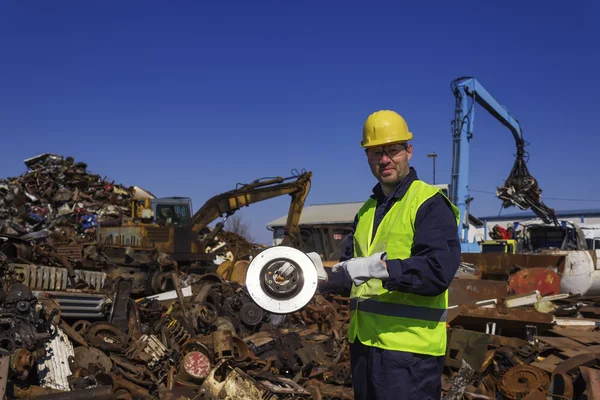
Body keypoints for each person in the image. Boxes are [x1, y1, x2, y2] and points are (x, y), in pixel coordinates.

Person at [320, 110, 461, 400]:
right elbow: (351, 272)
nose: (384, 159)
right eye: (375, 152)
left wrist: (379, 268)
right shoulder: (366, 210)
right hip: (365, 347)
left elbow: (437, 271)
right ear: (367, 157)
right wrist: (317, 276)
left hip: (409, 354)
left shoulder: (429, 203)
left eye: (392, 150)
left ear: (408, 151)